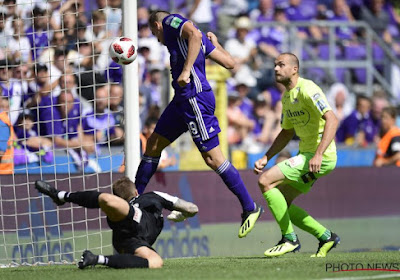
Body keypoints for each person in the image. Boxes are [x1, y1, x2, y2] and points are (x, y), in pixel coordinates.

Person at [138, 11, 263, 238]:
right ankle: (133, 201)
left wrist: (186, 70)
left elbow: (194, 33)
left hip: (194, 98)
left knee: (213, 158)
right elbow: (229, 62)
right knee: (153, 145)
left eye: (155, 33)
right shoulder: (190, 40)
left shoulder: (171, 22)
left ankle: (249, 206)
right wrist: (216, 44)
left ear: (157, 25)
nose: (158, 38)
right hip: (182, 100)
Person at [254, 53, 340, 257]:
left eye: (281, 65)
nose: (275, 69)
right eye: (275, 65)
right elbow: (286, 131)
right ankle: (326, 237)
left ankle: (289, 239)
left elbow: (332, 120)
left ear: (294, 69)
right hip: (309, 155)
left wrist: (318, 154)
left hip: (319, 156)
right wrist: (267, 156)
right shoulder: (286, 97)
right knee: (282, 200)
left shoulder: (308, 89)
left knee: (265, 181)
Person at [34, 177, 198, 269]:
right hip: (134, 218)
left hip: (130, 240)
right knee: (106, 200)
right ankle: (61, 195)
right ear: (136, 192)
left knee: (156, 262)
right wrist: (182, 215)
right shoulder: (153, 195)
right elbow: (192, 208)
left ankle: (96, 259)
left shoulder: (149, 198)